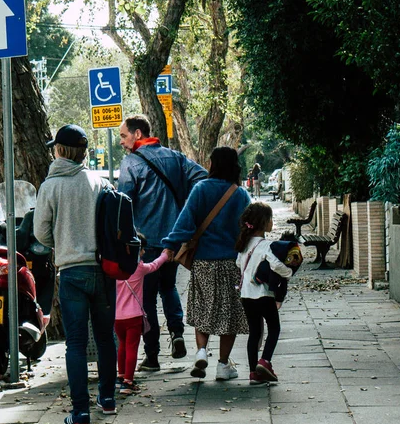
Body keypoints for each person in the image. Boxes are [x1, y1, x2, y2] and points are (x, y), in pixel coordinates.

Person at [34, 124, 117, 424]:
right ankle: (107, 399)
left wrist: (63, 241)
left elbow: (41, 234)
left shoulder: (50, 187)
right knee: (106, 338)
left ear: (60, 151)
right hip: (103, 271)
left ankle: (80, 414)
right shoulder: (99, 181)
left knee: (76, 344)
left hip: (71, 272)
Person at [118, 115, 207, 371]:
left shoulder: (131, 163)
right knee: (168, 288)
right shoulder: (175, 157)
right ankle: (177, 334)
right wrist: (186, 209)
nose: (122, 142)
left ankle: (153, 355)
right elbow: (201, 177)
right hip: (176, 240)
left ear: (137, 134)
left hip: (145, 243)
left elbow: (124, 202)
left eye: (124, 136)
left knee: (146, 299)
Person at [162, 147, 250, 380]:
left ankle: (201, 351)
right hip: (231, 263)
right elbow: (249, 229)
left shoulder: (200, 189)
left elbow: (185, 223)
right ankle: (223, 365)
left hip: (203, 263)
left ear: (213, 164)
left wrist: (171, 244)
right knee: (228, 313)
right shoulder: (240, 194)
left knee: (203, 308)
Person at [235, 202, 293, 385]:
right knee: (274, 328)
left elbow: (238, 264)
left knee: (254, 332)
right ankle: (265, 361)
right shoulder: (266, 245)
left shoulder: (244, 245)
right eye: (270, 219)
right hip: (263, 295)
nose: (272, 222)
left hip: (246, 295)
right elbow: (277, 265)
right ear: (264, 222)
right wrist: (288, 272)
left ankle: (253, 373)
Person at [115, 233, 170, 394]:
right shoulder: (138, 268)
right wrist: (165, 254)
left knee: (122, 346)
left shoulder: (116, 269)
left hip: (117, 317)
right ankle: (128, 382)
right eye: (141, 250)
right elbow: (155, 265)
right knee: (132, 348)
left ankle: (120, 376)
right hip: (134, 316)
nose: (144, 253)